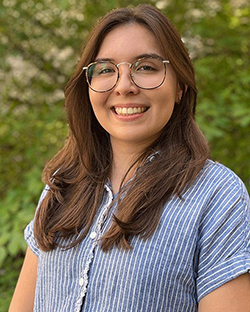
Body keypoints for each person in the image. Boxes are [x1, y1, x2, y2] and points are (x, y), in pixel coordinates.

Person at [9, 4, 250, 312]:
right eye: (107, 69)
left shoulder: (217, 195)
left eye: (146, 67)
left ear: (180, 86)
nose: (124, 86)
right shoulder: (61, 188)